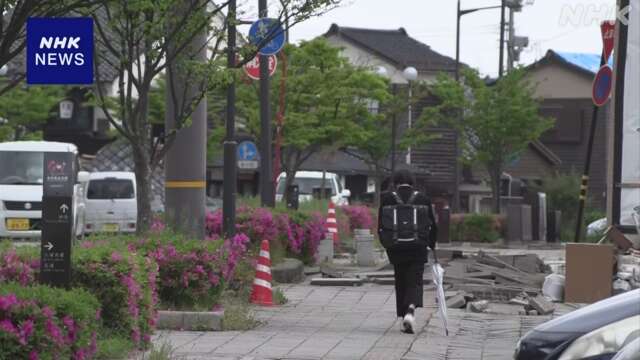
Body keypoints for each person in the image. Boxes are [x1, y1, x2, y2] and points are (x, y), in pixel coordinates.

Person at [378, 169, 437, 334]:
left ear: (395, 182)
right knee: (415, 280)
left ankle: (404, 314)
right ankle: (411, 310)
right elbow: (433, 225)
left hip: (396, 247)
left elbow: (380, 226)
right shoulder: (423, 198)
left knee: (401, 279)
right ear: (413, 182)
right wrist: (431, 244)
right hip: (418, 247)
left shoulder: (388, 198)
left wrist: (387, 244)